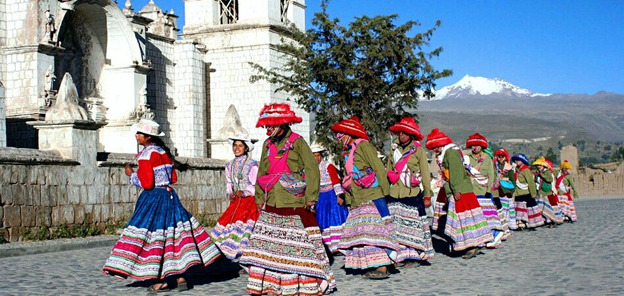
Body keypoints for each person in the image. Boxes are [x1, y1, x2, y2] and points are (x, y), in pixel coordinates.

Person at [103, 119, 220, 292]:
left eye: (139, 134)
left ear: (148, 137)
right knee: (172, 236)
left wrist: (131, 175)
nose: (136, 136)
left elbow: (147, 183)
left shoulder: (146, 155)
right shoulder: (163, 153)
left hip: (154, 198)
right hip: (169, 196)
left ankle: (162, 280)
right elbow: (173, 178)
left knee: (153, 237)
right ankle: (180, 276)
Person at [239, 103, 335, 295]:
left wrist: (311, 198)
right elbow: (263, 172)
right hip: (272, 200)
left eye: (271, 125)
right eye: (266, 126)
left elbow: (311, 168)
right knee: (271, 244)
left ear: (282, 124)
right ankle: (270, 283)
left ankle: (304, 280)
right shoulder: (267, 144)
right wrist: (259, 197)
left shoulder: (298, 142)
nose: (268, 130)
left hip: (293, 200)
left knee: (298, 243)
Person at [332, 116, 400, 280]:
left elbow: (377, 167)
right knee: (365, 233)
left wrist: (385, 192)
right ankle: (371, 263)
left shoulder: (364, 146)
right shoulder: (348, 152)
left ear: (349, 133)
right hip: (358, 198)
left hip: (373, 195)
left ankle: (383, 266)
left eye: (341, 134)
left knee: (378, 232)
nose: (338, 138)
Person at [425, 128, 493, 259]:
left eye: (436, 147)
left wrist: (456, 190)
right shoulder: (449, 152)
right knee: (463, 220)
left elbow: (455, 172)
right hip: (460, 189)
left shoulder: (451, 153)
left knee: (464, 220)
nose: (435, 150)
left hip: (461, 190)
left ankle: (471, 246)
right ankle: (465, 245)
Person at [386, 117, 434, 267]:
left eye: (405, 133)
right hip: (395, 193)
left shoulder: (418, 151)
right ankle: (400, 255)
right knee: (397, 226)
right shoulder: (394, 150)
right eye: (400, 133)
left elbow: (425, 174)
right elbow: (388, 169)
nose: (401, 136)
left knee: (412, 226)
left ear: (411, 135)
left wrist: (427, 194)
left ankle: (414, 256)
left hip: (411, 193)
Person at [210, 135, 260, 261]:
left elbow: (256, 186)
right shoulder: (229, 165)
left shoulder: (252, 165)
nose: (237, 148)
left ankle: (245, 256)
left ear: (246, 148)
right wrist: (230, 193)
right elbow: (229, 183)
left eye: (240, 146)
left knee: (243, 229)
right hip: (236, 202)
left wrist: (244, 193)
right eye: (235, 145)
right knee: (228, 226)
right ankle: (227, 254)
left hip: (249, 203)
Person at [465, 133, 504, 248]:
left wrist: (489, 191)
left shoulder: (487, 159)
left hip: (483, 191)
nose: (475, 147)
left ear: (481, 146)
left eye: (477, 145)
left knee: (487, 215)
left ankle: (494, 234)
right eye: (473, 145)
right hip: (471, 191)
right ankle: (479, 237)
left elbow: (491, 176)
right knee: (475, 217)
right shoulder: (467, 158)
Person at [310, 144, 349, 253]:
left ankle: (339, 245)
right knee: (323, 220)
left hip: (331, 195)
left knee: (335, 218)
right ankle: (328, 246)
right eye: (314, 156)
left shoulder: (328, 166)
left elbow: (335, 181)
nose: (317, 158)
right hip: (320, 198)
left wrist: (339, 195)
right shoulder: (309, 169)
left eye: (318, 155)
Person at [511, 153, 545, 230]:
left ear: (522, 161)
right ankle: (521, 224)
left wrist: (533, 194)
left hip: (526, 193)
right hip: (518, 193)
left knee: (529, 209)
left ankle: (531, 224)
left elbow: (530, 182)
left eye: (518, 160)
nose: (516, 161)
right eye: (516, 160)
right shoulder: (517, 170)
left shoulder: (526, 170)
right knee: (520, 210)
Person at [533, 157, 564, 227]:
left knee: (549, 208)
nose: (538, 166)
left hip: (547, 193)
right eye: (537, 165)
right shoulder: (537, 173)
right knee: (541, 208)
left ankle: (553, 221)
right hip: (540, 192)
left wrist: (542, 175)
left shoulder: (547, 172)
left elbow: (549, 179)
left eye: (539, 165)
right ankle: (544, 221)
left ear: (543, 166)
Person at [492, 148, 517, 235]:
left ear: (505, 157)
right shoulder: (494, 166)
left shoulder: (508, 168)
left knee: (506, 209)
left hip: (506, 191)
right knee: (499, 208)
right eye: (499, 156)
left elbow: (513, 180)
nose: (501, 158)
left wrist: (512, 191)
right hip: (497, 190)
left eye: (502, 156)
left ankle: (506, 225)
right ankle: (500, 225)